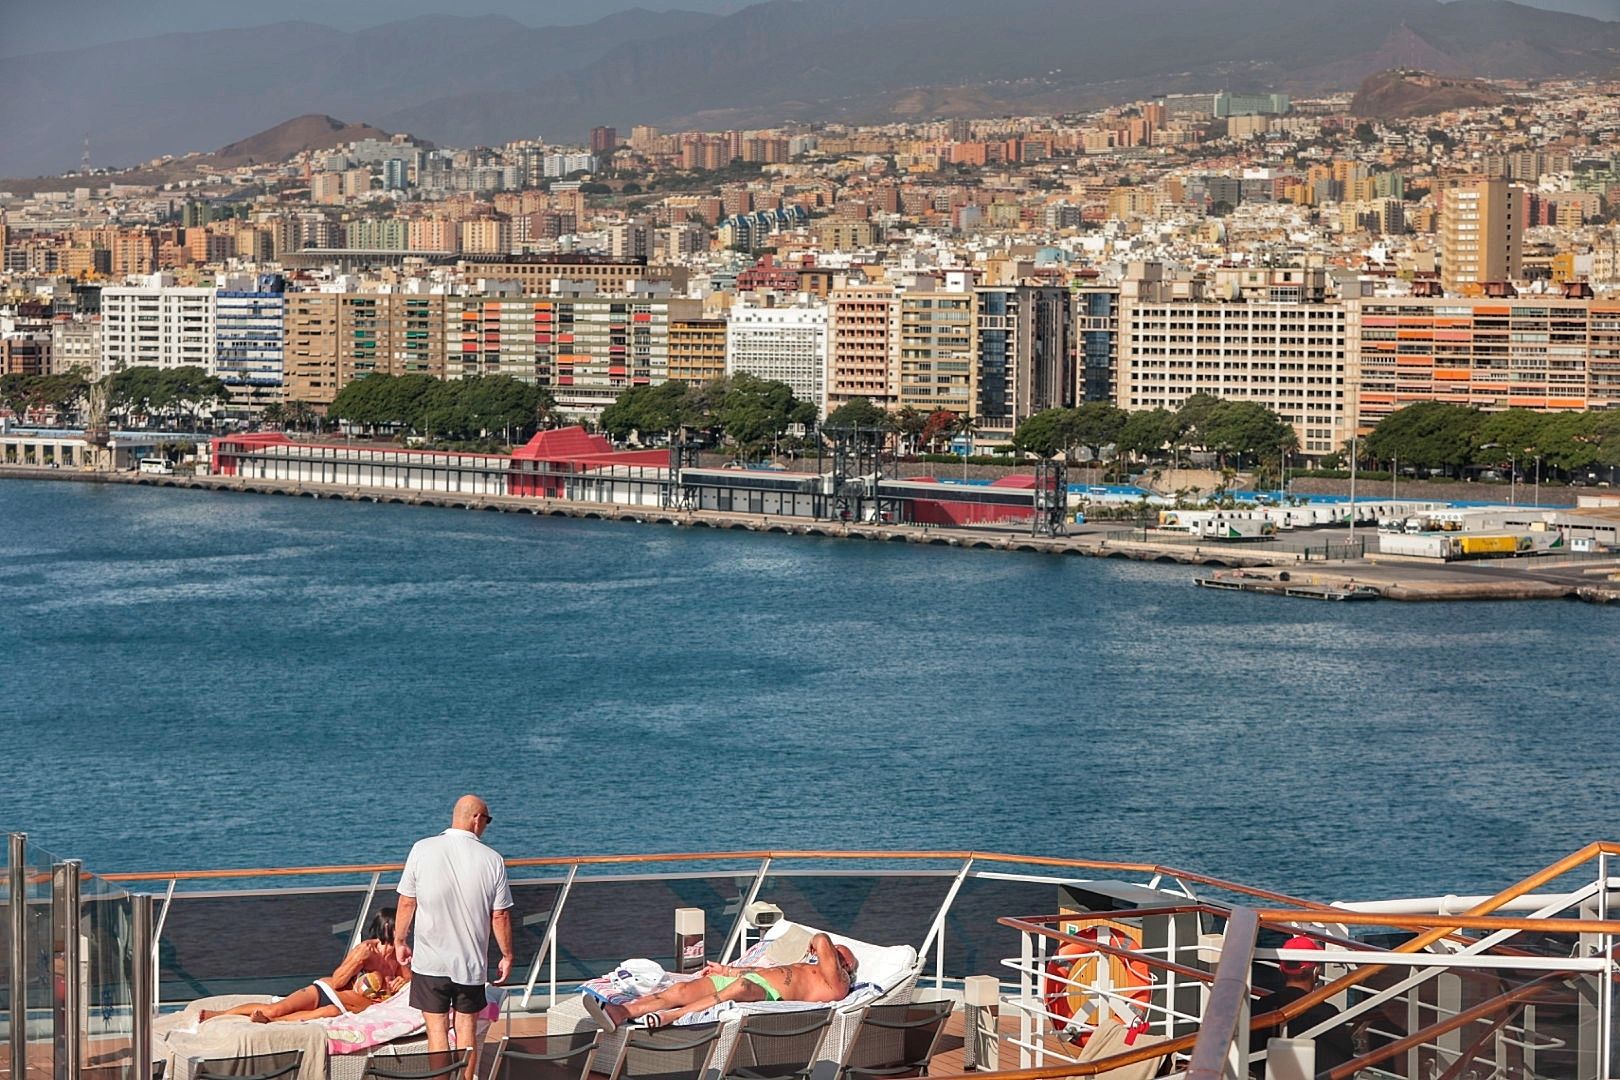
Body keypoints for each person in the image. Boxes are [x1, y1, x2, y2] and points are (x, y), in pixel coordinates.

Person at [394, 795, 514, 1080]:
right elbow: (500, 916)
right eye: (487, 820)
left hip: (430, 961)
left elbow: (407, 902)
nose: (486, 826)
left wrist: (400, 941)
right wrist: (507, 955)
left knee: (435, 1029)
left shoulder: (422, 849)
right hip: (470, 963)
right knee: (466, 1028)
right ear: (476, 818)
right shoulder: (493, 860)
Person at [582, 933, 857, 1032]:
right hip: (752, 979)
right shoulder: (811, 968)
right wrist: (727, 969)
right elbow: (764, 972)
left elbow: (821, 938)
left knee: (739, 989)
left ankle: (671, 1016)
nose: (827, 955)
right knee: (681, 989)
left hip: (766, 994)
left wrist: (822, 945)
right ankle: (621, 1013)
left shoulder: (837, 983)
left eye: (836, 954)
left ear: (844, 964)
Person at [199, 909, 409, 1023]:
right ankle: (221, 1015)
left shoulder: (402, 957)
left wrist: (404, 980)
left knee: (330, 1012)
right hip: (325, 991)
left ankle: (270, 1022)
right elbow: (337, 981)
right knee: (276, 1009)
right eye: (391, 939)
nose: (390, 947)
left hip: (341, 1008)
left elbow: (413, 981)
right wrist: (357, 960)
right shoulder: (365, 951)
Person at [1249, 935, 1354, 1078]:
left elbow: (1252, 1057)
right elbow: (1342, 1062)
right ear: (1316, 972)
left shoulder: (1262, 1007)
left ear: (1281, 969)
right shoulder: (1327, 1014)